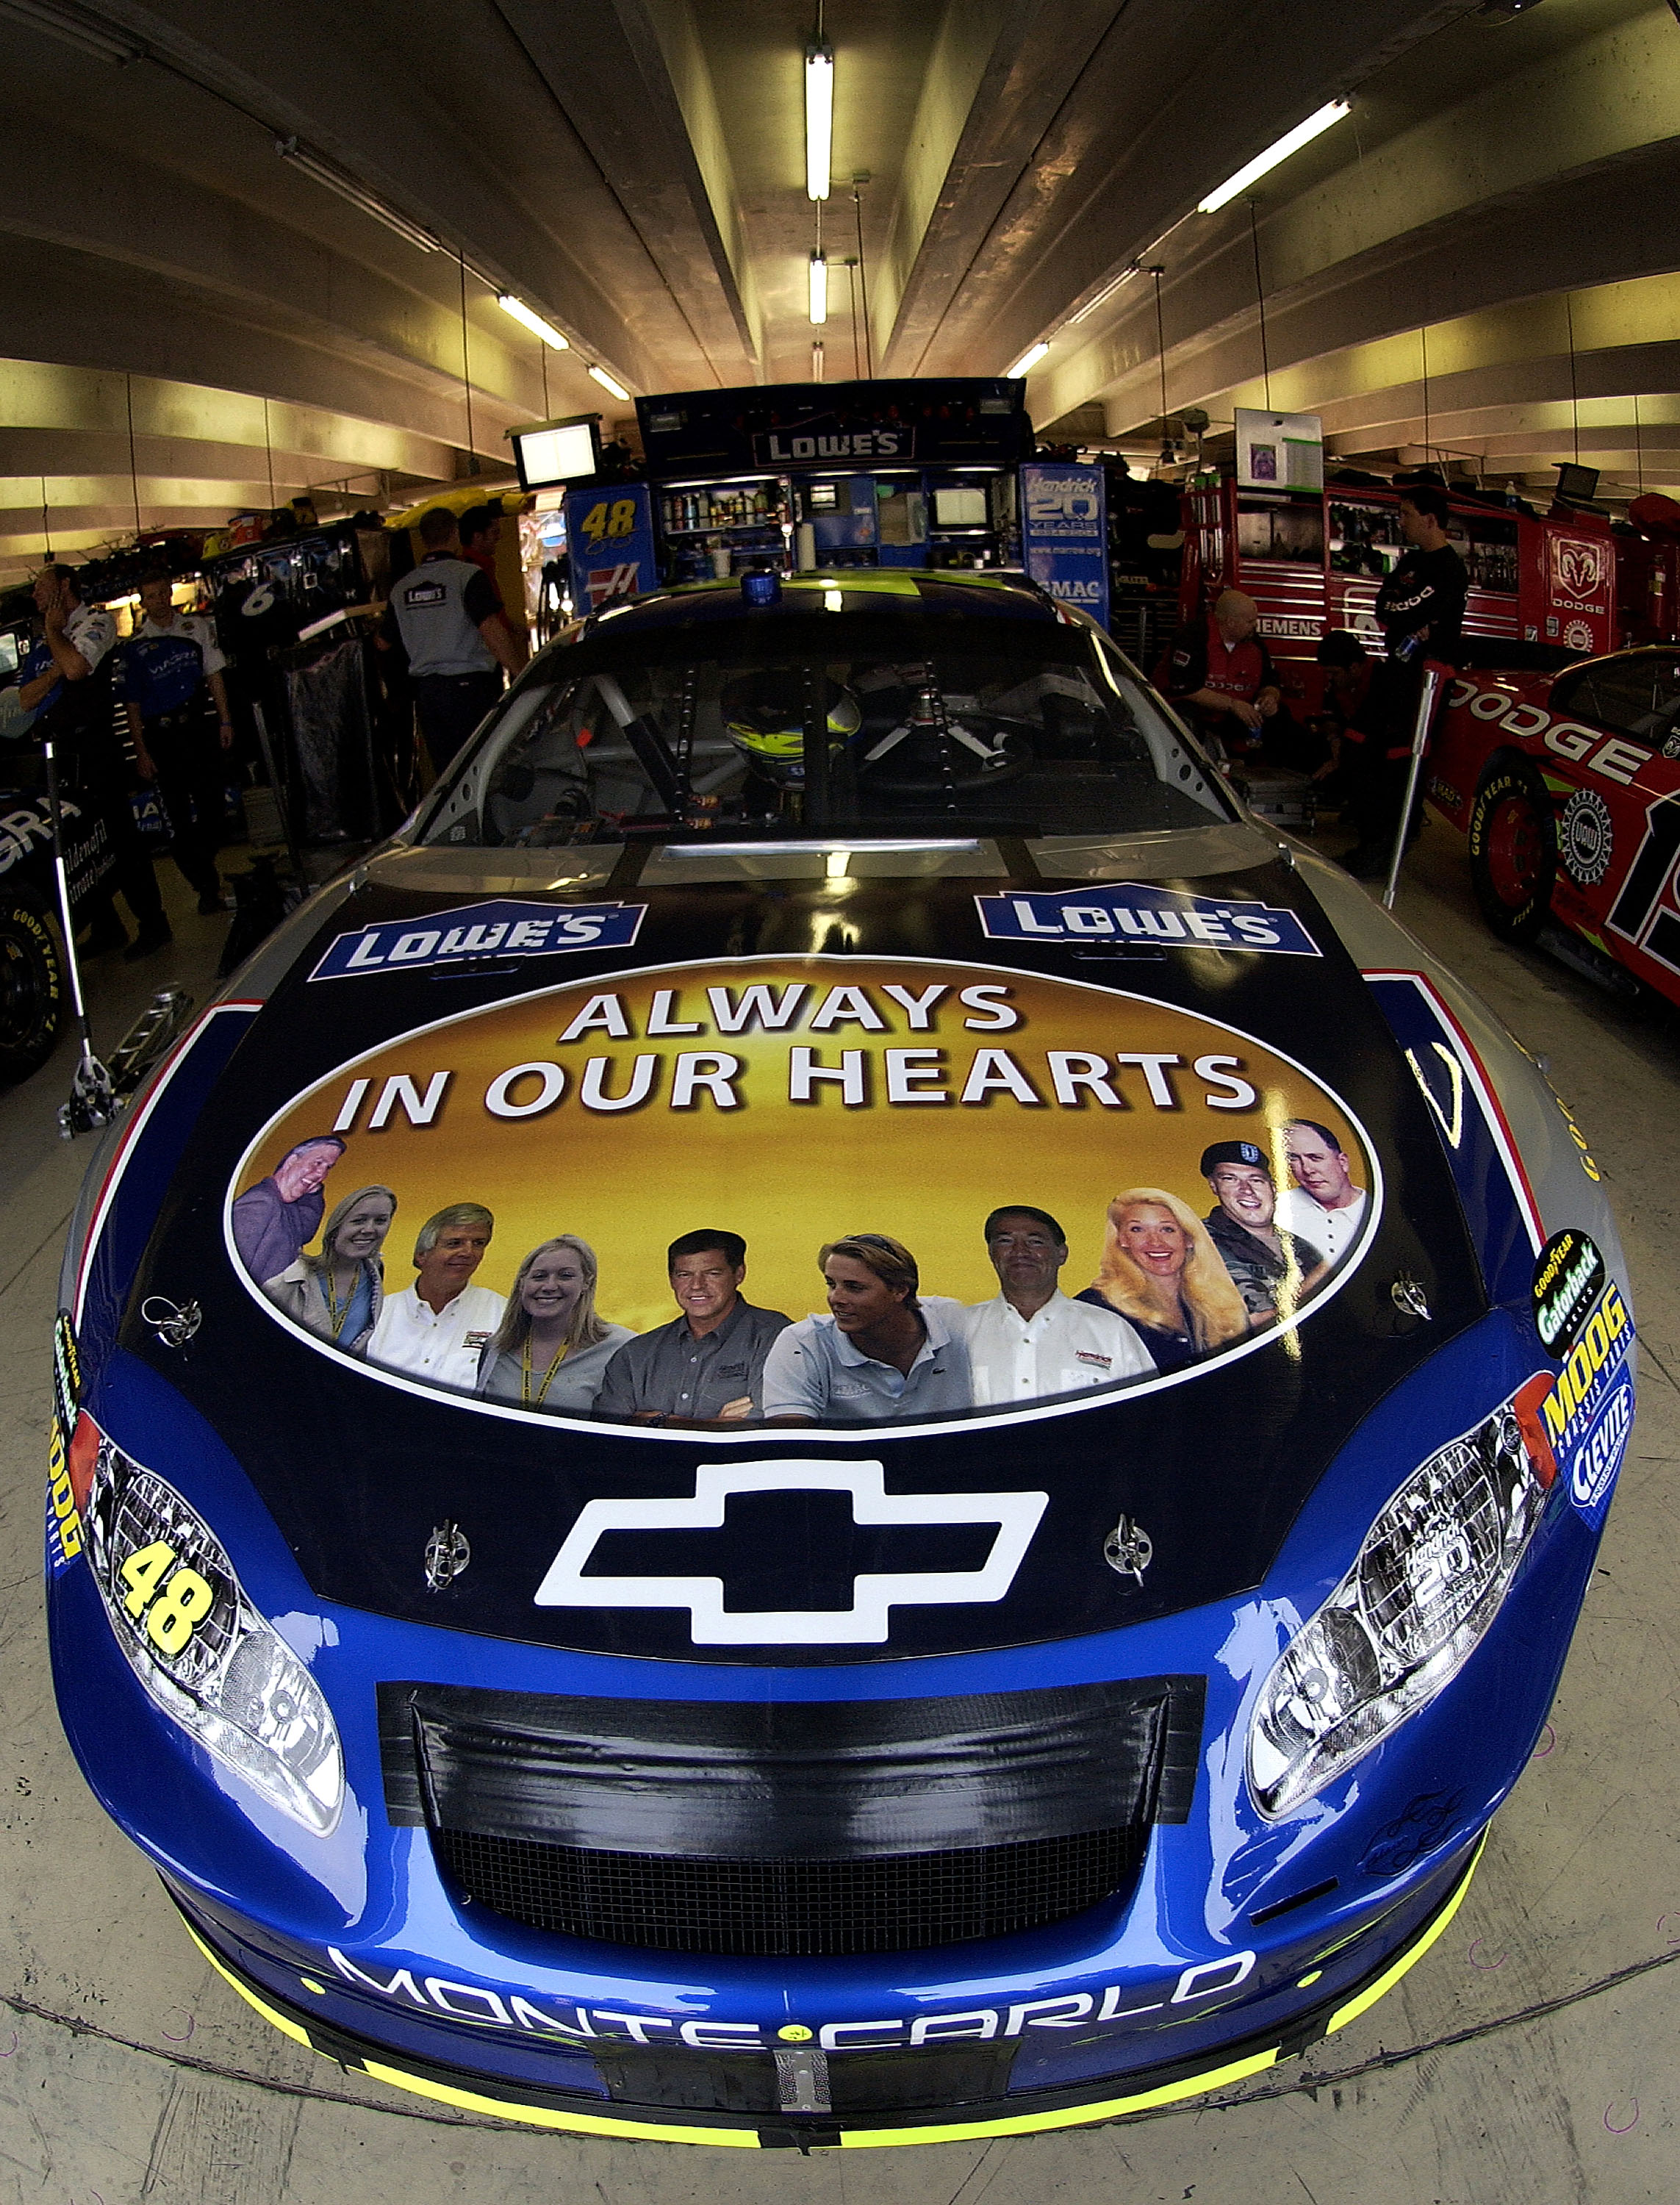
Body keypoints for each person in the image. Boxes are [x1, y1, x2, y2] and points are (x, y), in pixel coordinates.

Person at [18, 562, 170, 958]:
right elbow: (25, 698)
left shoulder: (96, 623)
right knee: (72, 843)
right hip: (57, 754)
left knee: (122, 841)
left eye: (40, 587)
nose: (34, 596)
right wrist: (54, 658)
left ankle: (154, 923)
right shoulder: (44, 640)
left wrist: (53, 638)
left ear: (64, 586)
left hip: (96, 751)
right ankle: (106, 927)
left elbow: (76, 668)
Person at [1340, 484, 1468, 878]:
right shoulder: (1410, 563)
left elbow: (1409, 609)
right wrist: (1410, 619)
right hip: (1394, 668)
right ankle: (1369, 836)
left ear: (1430, 521)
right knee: (1358, 743)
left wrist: (1408, 617)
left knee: (1402, 761)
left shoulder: (1450, 568)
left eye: (1407, 515)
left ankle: (1388, 848)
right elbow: (1386, 607)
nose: (1401, 522)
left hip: (1425, 679)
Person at [113, 573, 235, 914]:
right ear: (143, 603)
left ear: (170, 594)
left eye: (162, 594)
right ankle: (206, 889)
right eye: (150, 596)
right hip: (162, 736)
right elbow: (131, 705)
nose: (159, 601)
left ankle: (206, 865)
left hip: (198, 727)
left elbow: (215, 674)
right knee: (178, 819)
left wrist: (225, 719)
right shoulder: (134, 647)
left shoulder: (195, 629)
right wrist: (141, 752)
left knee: (214, 810)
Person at [762, 1233, 972, 1423]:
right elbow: (790, 1442)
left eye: (854, 1287)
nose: (836, 1298)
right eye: (831, 1284)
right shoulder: (803, 1342)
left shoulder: (955, 1321)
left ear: (900, 1290)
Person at [957, 1205, 1154, 1405]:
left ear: (1061, 1254)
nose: (1020, 1251)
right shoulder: (958, 1332)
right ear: (992, 1253)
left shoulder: (1109, 1330)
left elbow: (1149, 1412)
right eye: (1005, 1241)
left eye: (1035, 1242)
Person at [594, 1230, 789, 1424]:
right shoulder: (636, 1354)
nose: (697, 1285)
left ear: (739, 1274)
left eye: (712, 1274)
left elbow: (770, 1426)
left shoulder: (778, 1337)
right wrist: (715, 1425)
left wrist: (655, 1421)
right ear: (671, 1280)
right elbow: (609, 1432)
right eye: (684, 1275)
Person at [387, 507, 528, 775]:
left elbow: (383, 643)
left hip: (428, 695)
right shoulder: (467, 575)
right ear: (454, 534)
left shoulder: (401, 588)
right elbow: (490, 629)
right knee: (483, 767)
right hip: (470, 689)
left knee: (448, 775)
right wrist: (520, 673)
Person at [1077, 1188, 1249, 1373]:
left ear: (1189, 1238)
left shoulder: (1222, 1303)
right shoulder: (1094, 1308)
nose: (1156, 1242)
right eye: (1137, 1230)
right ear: (1122, 1239)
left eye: (1167, 1229)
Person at [476, 1235, 634, 1410]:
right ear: (522, 1283)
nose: (549, 1286)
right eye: (539, 1276)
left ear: (586, 1283)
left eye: (565, 1276)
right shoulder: (495, 1349)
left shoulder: (623, 1349)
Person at [367, 1202, 504, 1388]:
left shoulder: (502, 1315)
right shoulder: (377, 1314)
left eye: (478, 1244)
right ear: (421, 1255)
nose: (468, 1253)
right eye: (455, 1243)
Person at [1199, 1141, 1326, 1327]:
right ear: (1214, 1186)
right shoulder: (1199, 1242)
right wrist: (1326, 1271)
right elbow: (1249, 1325)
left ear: (1273, 1188)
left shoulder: (1300, 1244)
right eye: (1230, 1179)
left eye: (1256, 1180)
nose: (1247, 1190)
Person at [262, 1184, 396, 1353]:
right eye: (359, 1220)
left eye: (381, 1221)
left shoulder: (374, 1274)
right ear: (336, 1228)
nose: (369, 1229)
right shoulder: (291, 1280)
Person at [1162, 589, 1282, 759]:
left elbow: (1271, 681)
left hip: (1236, 711)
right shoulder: (1193, 637)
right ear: (1230, 622)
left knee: (1282, 720)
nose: (1255, 625)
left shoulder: (1255, 643)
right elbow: (1185, 688)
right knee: (1186, 719)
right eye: (1250, 621)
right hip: (1197, 710)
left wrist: (1270, 698)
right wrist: (1233, 705)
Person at [231, 1136, 345, 1284]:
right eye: (318, 1163)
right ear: (291, 1162)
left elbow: (305, 1233)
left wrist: (313, 1193)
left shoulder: (288, 1207)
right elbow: (231, 1266)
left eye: (328, 1168)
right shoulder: (261, 1202)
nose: (322, 1174)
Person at [1276, 1121, 1368, 1263]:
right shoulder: (1275, 1209)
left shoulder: (1377, 1210)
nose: (1307, 1169)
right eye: (1293, 1159)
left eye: (1315, 1158)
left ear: (1343, 1162)